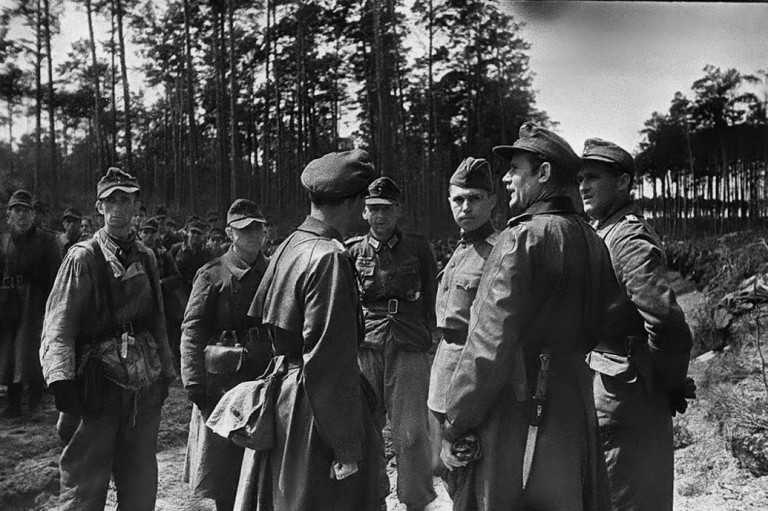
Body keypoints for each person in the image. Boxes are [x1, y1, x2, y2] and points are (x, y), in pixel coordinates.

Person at [440, 123, 621, 511]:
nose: (507, 178)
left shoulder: (521, 238)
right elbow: (604, 324)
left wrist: (457, 421)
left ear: (544, 173)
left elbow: (489, 345)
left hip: (518, 408)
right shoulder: (592, 239)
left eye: (515, 169)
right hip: (573, 399)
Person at [241, 148, 381, 511]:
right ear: (354, 202)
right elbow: (328, 361)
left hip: (286, 396)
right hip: (316, 410)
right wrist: (345, 444)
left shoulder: (290, 244)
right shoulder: (329, 257)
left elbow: (263, 323)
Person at [40, 167, 177, 510]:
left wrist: (165, 373)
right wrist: (61, 380)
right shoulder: (83, 257)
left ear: (136, 207)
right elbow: (59, 326)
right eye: (110, 200)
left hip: (142, 385)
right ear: (99, 207)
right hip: (97, 386)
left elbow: (158, 321)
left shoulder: (146, 257)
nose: (118, 207)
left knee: (140, 481)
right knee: (85, 484)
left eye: (126, 200)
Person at [578, 138, 694, 511]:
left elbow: (665, 321)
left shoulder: (627, 238)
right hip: (607, 387)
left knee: (628, 498)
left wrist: (667, 381)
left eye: (593, 177)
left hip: (627, 393)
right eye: (581, 178)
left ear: (623, 182)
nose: (583, 186)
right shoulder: (603, 232)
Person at [346, 176, 439, 511]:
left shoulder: (418, 247)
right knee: (366, 429)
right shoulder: (353, 251)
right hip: (367, 344)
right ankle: (370, 500)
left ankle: (416, 501)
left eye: (386, 209)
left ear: (398, 210)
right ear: (364, 213)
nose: (380, 216)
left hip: (408, 343)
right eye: (373, 209)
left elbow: (432, 297)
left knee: (411, 434)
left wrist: (427, 335)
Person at [181, 199, 273, 511]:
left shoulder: (274, 271)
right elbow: (193, 329)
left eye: (257, 228)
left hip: (265, 372)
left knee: (264, 459)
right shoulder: (212, 274)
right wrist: (194, 380)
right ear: (230, 233)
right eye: (244, 229)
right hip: (224, 381)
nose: (252, 235)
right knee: (224, 465)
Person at [427, 158, 497, 482]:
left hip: (471, 373)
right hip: (444, 367)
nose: (465, 207)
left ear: (492, 202)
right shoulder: (461, 248)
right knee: (445, 468)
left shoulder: (497, 251)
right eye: (458, 199)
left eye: (475, 198)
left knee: (469, 468)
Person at [0, 190, 60, 418]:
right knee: (8, 350)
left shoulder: (46, 240)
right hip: (9, 301)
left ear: (33, 214)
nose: (22, 215)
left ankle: (35, 402)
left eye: (26, 210)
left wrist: (51, 306)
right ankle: (13, 402)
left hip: (35, 301)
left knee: (31, 350)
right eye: (17, 210)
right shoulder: (4, 241)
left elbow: (56, 275)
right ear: (9, 215)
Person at [173, 219, 215, 288]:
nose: (195, 235)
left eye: (199, 233)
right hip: (178, 287)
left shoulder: (207, 253)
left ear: (203, 236)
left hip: (198, 287)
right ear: (188, 233)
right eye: (193, 232)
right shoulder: (176, 248)